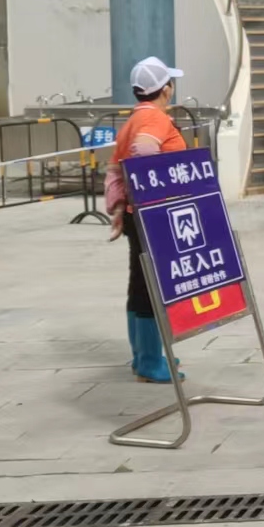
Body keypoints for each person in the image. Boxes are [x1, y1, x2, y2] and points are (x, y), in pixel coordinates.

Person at [104, 57, 187, 384]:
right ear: (166, 89)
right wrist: (154, 190)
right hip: (153, 215)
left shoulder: (132, 120)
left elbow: (116, 167)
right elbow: (144, 150)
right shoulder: (154, 118)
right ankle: (150, 362)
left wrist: (123, 205)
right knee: (153, 287)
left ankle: (144, 355)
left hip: (135, 214)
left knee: (140, 283)